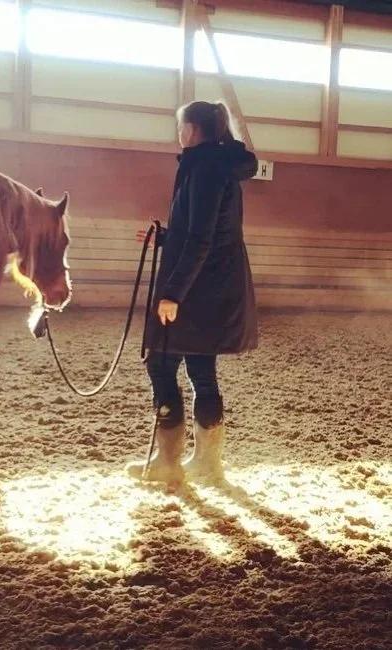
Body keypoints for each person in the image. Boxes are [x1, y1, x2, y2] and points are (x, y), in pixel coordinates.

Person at [126, 100, 259, 486]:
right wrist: (166, 237)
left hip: (199, 289)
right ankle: (206, 464)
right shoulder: (218, 165)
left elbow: (201, 238)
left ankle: (169, 461)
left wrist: (172, 293)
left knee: (161, 364)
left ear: (192, 129)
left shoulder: (202, 168)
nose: (177, 132)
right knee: (201, 369)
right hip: (214, 285)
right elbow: (206, 229)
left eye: (179, 126)